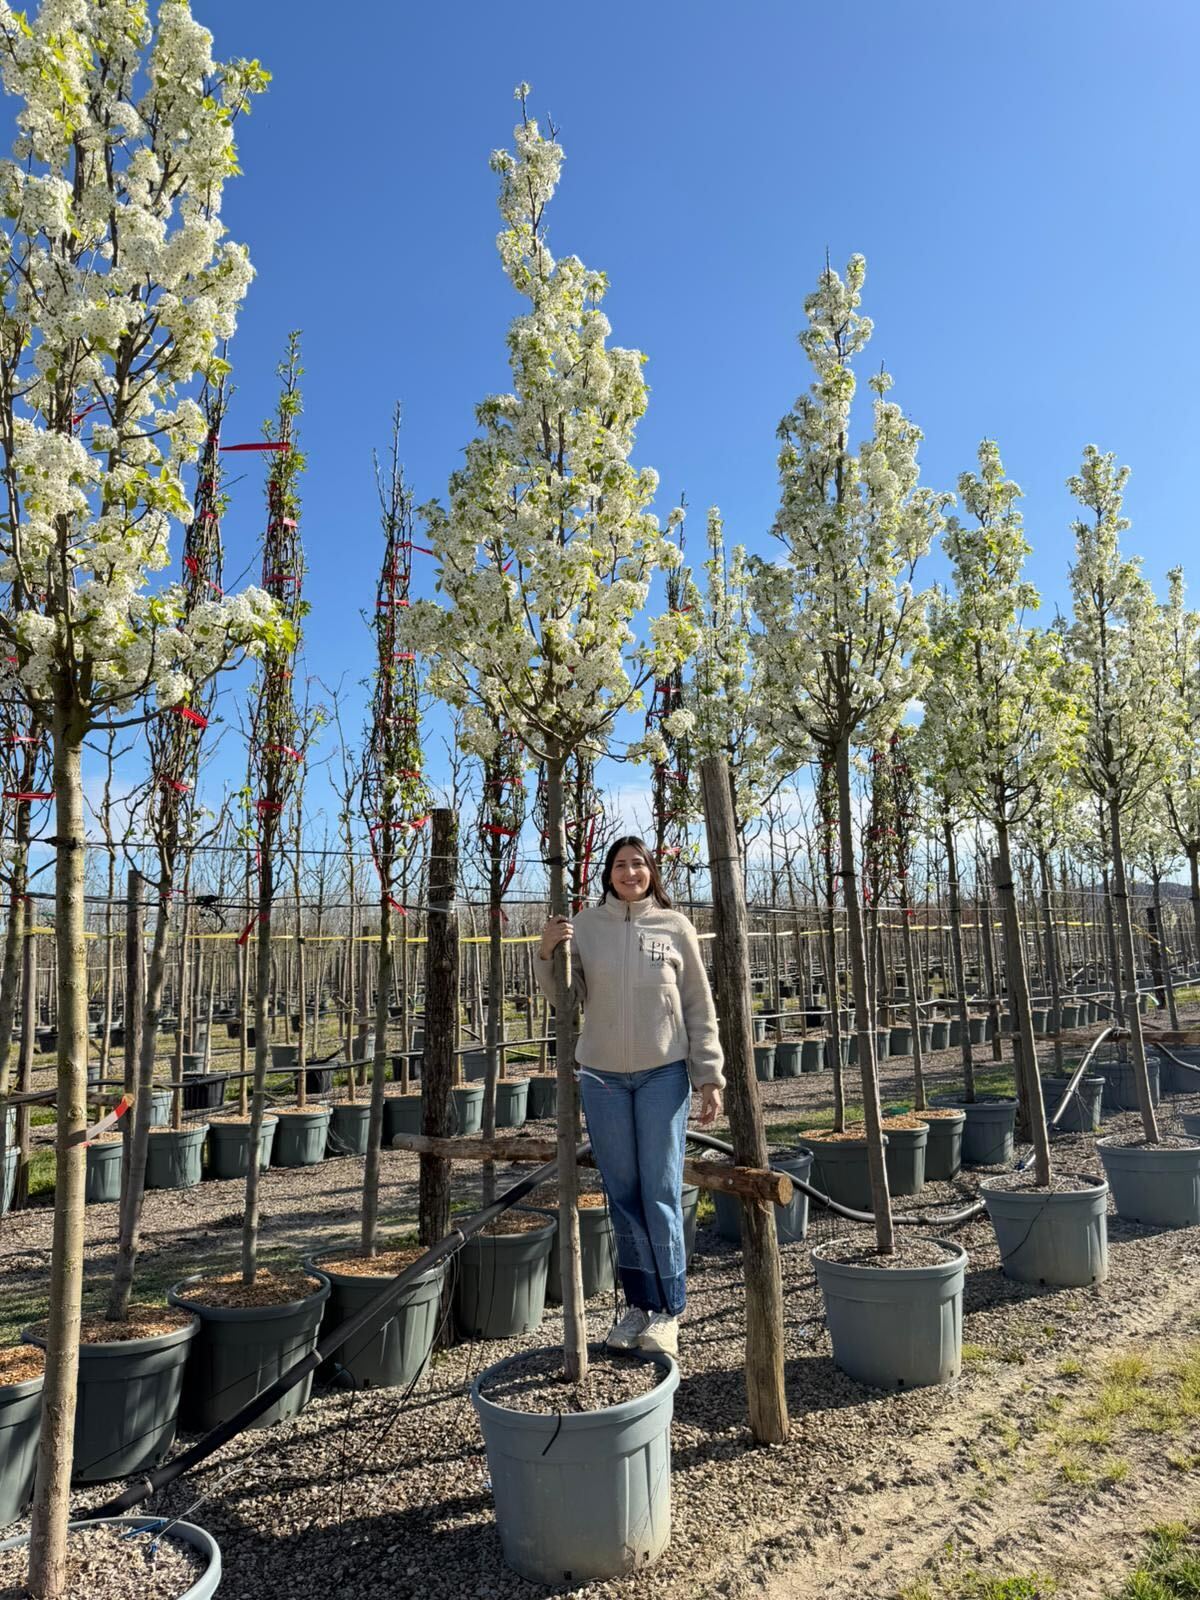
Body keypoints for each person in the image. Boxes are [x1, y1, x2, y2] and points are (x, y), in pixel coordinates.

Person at [535, 835, 724, 1360]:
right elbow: (566, 998)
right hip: (601, 1077)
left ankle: (669, 1310)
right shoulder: (586, 926)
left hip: (663, 1073)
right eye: (620, 864)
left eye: (638, 863)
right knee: (622, 1191)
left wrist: (710, 1076)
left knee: (660, 1188)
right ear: (607, 874)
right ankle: (638, 1303)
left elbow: (698, 1006)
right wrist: (548, 950)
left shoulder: (675, 925)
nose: (629, 872)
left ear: (651, 871)